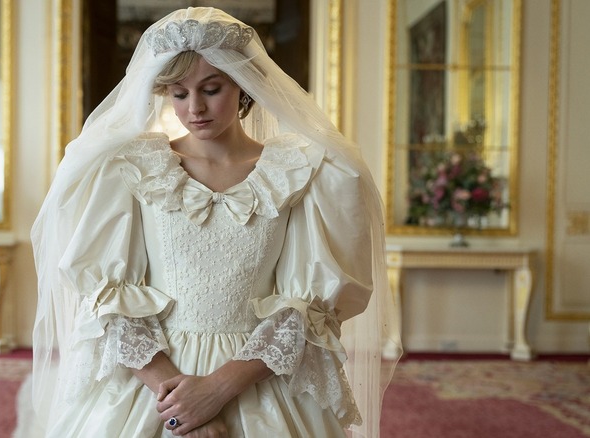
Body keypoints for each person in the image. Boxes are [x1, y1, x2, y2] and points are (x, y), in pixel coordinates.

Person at [29, 7, 400, 437]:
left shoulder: (300, 171)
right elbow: (109, 302)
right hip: (152, 379)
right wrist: (180, 407)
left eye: (211, 88)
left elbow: (309, 309)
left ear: (242, 86)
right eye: (179, 94)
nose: (195, 108)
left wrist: (219, 389)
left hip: (259, 379)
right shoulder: (132, 167)